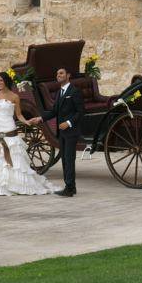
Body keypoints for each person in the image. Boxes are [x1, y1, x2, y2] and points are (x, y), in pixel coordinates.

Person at [0, 73, 55, 196]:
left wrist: (26, 122)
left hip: (9, 128)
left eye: (0, 81)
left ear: (5, 81)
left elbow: (19, 114)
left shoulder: (15, 97)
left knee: (14, 159)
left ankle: (12, 184)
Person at [29, 68, 84, 197]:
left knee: (69, 160)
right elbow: (54, 111)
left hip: (71, 132)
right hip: (62, 133)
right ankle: (71, 187)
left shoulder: (75, 92)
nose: (58, 75)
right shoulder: (60, 92)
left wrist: (69, 123)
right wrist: (40, 118)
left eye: (61, 73)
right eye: (57, 74)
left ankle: (69, 188)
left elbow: (80, 112)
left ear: (68, 75)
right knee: (65, 160)